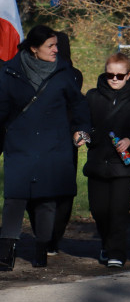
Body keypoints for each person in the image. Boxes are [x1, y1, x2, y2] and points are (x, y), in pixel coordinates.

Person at [0, 25, 91, 270]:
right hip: (20, 143)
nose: (55, 50)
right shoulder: (10, 72)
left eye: (56, 45)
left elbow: (79, 105)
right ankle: (6, 252)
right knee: (14, 198)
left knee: (46, 200)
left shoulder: (63, 72)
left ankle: (42, 249)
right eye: (50, 46)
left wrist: (82, 130)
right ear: (34, 48)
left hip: (53, 144)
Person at [84, 53, 130, 269]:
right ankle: (107, 244)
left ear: (128, 75)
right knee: (99, 210)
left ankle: (117, 251)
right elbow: (83, 122)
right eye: (110, 75)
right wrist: (83, 134)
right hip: (98, 161)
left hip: (124, 165)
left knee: (118, 209)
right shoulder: (92, 96)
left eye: (120, 75)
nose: (114, 79)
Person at [46, 32, 84, 257]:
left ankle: (52, 238)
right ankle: (48, 237)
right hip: (48, 139)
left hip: (65, 139)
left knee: (62, 191)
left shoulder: (72, 75)